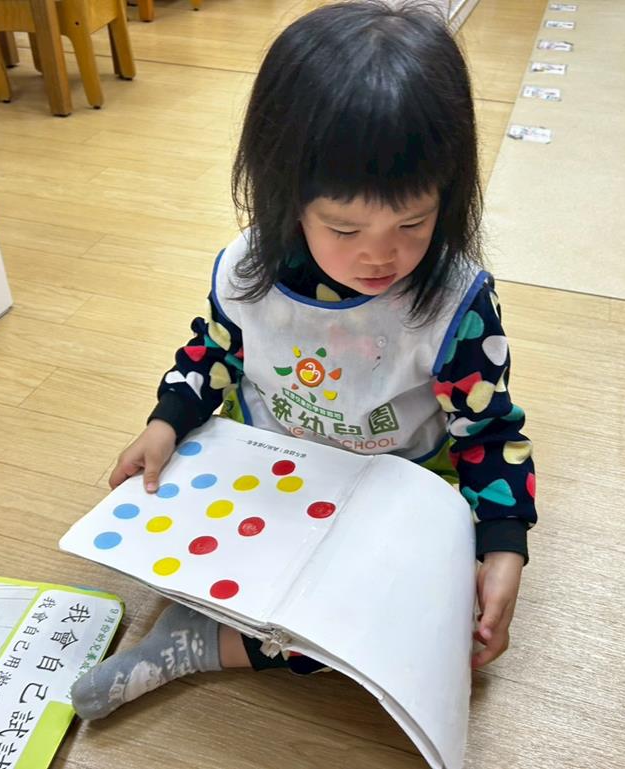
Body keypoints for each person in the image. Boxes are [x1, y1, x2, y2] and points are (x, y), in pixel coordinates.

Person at [71, 0, 537, 721]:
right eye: (344, 229)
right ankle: (226, 612)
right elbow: (213, 350)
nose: (381, 254)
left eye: (413, 222)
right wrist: (165, 421)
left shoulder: (455, 302)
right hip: (270, 467)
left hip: (395, 483)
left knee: (410, 622)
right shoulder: (249, 269)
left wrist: (503, 547)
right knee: (209, 548)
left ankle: (209, 644)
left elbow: (491, 432)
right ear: (288, 196)